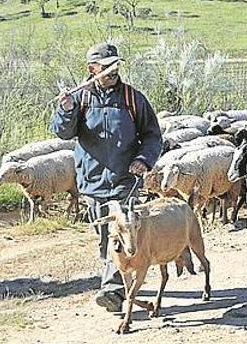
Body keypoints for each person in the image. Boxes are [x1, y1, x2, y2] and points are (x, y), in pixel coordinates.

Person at [52, 42, 162, 313]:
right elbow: (63, 133)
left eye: (115, 66)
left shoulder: (133, 98)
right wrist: (65, 110)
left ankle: (112, 291)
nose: (112, 71)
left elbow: (152, 135)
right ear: (92, 69)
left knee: (123, 233)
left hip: (126, 180)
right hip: (92, 182)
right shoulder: (80, 98)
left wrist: (143, 160)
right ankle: (120, 280)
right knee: (106, 240)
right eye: (106, 67)